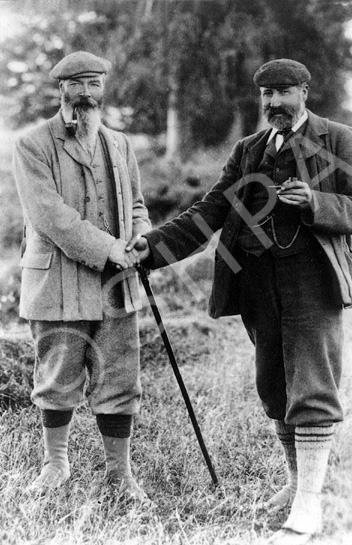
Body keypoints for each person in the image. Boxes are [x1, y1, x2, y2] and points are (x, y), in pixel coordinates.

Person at [126, 59, 352, 543]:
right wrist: (153, 247)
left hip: (311, 279)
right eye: (266, 95)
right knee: (274, 384)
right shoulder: (249, 149)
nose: (274, 104)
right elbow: (213, 208)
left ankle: (309, 504)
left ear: (305, 91)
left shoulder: (338, 139)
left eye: (283, 92)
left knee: (312, 385)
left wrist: (316, 203)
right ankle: (293, 482)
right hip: (256, 281)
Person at [13, 51, 151, 500]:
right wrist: (111, 248)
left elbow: (136, 207)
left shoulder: (119, 143)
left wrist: (140, 239)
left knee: (119, 376)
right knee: (57, 377)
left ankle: (120, 474)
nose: (86, 94)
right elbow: (51, 217)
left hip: (117, 286)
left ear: (103, 89)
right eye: (77, 85)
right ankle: (56, 464)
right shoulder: (32, 144)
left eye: (94, 84)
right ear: (61, 90)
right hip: (57, 281)